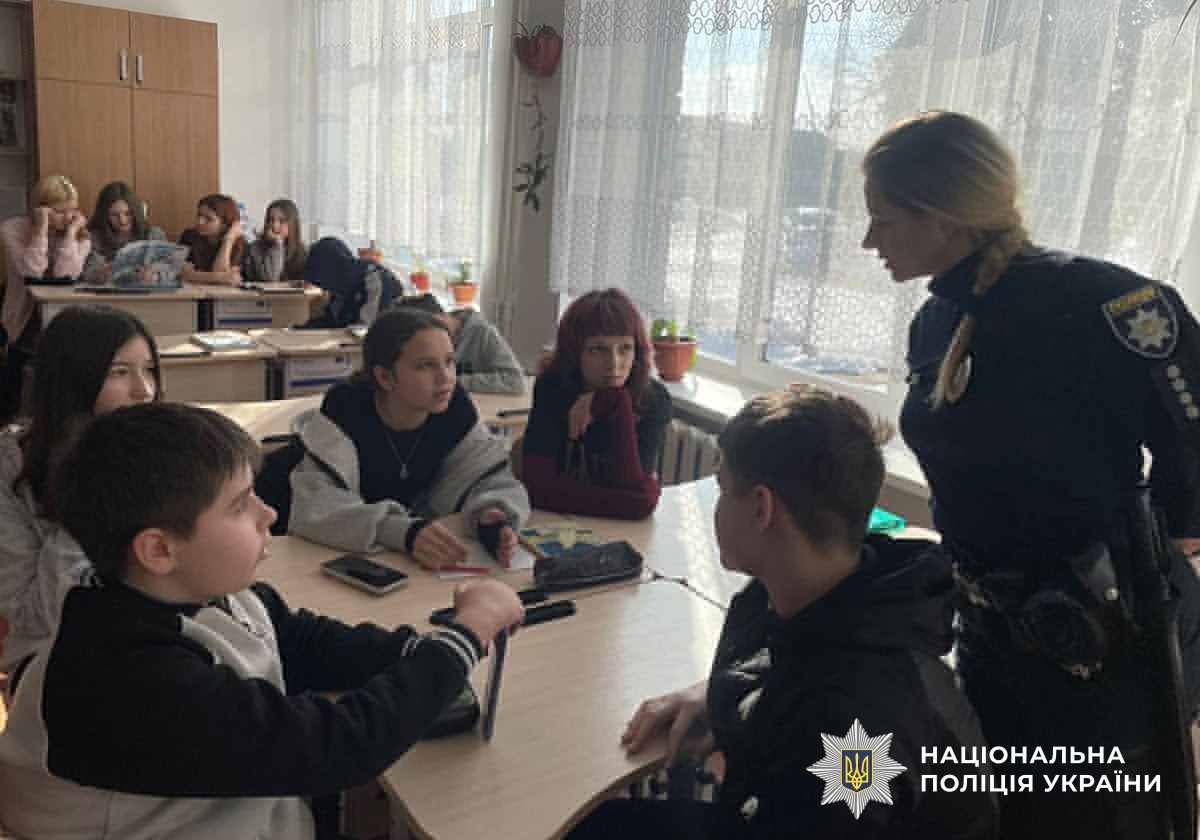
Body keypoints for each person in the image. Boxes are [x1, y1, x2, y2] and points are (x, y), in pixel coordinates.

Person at [861, 109, 1200, 839]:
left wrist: (1175, 539)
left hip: (1100, 650)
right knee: (1003, 813)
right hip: (990, 633)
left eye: (882, 219)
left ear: (942, 216)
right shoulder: (938, 321)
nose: (868, 240)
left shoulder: (1101, 303)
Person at [0, 402, 524, 839]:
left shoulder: (205, 591)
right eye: (238, 506)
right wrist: (466, 635)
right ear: (159, 550)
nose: (268, 513)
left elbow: (300, 640)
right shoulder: (124, 678)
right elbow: (336, 748)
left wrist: (413, 650)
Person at [567, 389, 998, 839]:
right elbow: (791, 662)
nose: (717, 506)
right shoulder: (822, 592)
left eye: (722, 489)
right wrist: (721, 694)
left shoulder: (853, 732)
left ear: (761, 508)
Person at [289, 308, 529, 569]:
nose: (446, 377)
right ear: (385, 377)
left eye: (449, 361)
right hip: (347, 557)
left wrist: (491, 513)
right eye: (426, 365)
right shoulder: (346, 410)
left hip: (420, 562)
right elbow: (315, 505)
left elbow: (492, 477)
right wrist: (400, 531)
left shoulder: (455, 408)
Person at [0, 304, 160, 674]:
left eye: (149, 370)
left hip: (158, 641)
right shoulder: (10, 471)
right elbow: (31, 618)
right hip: (53, 659)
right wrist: (84, 495)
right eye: (119, 372)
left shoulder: (161, 453)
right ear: (71, 381)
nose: (144, 391)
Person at [522, 288, 670, 519]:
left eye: (625, 348)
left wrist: (616, 402)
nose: (614, 364)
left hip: (619, 530)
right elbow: (538, 488)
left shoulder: (653, 399)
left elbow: (627, 484)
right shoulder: (553, 387)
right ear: (575, 353)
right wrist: (635, 502)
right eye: (598, 349)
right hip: (555, 523)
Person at [0, 175, 91, 420]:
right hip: (23, 316)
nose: (67, 217)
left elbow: (65, 274)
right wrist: (40, 230)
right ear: (40, 208)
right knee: (18, 379)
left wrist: (70, 234)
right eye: (59, 211)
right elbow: (31, 272)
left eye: (72, 211)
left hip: (62, 313)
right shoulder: (11, 230)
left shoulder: (80, 235)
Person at [395, 292, 525, 394]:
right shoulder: (416, 340)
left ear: (442, 315)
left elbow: (514, 381)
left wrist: (451, 381)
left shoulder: (483, 332)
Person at [302, 236, 404, 327]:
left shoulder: (376, 280)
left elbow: (365, 329)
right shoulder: (341, 285)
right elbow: (333, 321)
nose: (324, 289)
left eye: (323, 282)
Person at [81, 181, 166, 284]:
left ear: (136, 211)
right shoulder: (94, 237)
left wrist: (157, 275)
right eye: (114, 215)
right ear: (104, 215)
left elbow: (170, 267)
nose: (122, 220)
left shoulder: (154, 234)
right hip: (107, 292)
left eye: (128, 213)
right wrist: (101, 273)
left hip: (148, 291)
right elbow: (88, 273)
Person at [178, 193, 245, 286]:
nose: (200, 222)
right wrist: (220, 277)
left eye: (209, 219)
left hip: (225, 294)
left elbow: (225, 279)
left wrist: (228, 240)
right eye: (199, 215)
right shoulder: (189, 236)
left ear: (225, 225)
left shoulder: (239, 244)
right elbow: (183, 274)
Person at [243, 198, 308, 285]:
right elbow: (270, 278)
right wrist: (277, 245)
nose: (274, 225)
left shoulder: (302, 250)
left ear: (292, 224)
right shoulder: (256, 248)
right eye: (271, 220)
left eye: (281, 221)